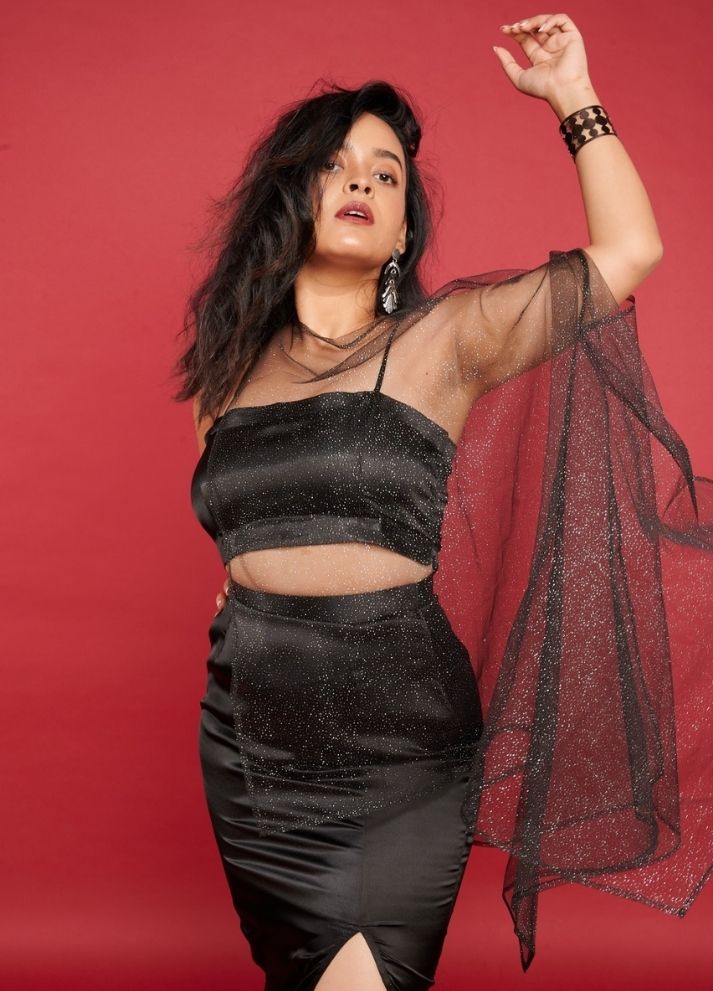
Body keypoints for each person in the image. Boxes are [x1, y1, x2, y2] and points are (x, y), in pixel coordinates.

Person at [175, 13, 713, 990]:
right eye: (335, 165)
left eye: (386, 176)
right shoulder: (228, 376)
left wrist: (572, 96)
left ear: (401, 228)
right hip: (249, 745)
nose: (361, 184)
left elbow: (630, 249)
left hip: (399, 752)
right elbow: (253, 536)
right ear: (291, 195)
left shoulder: (448, 339)